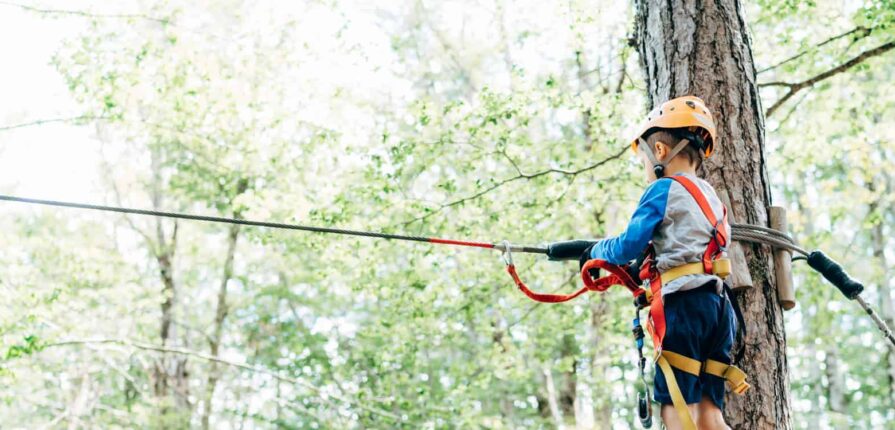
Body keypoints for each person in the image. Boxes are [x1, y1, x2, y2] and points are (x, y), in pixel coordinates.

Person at [585, 96, 746, 430]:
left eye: (643, 157)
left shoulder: (661, 190)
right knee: (709, 416)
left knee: (676, 413)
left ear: (659, 151)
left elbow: (628, 244)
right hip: (719, 310)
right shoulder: (712, 198)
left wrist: (595, 252)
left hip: (684, 309)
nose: (645, 166)